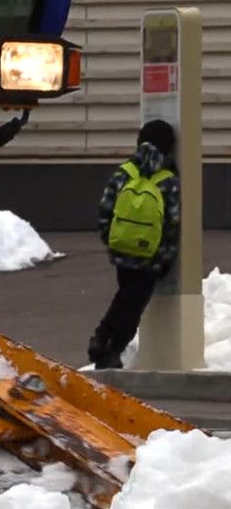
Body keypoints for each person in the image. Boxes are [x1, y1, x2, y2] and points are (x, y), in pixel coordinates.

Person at [88, 119, 181, 370]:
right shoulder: (167, 179)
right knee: (133, 306)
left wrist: (111, 241)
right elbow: (171, 225)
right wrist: (165, 258)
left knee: (124, 296)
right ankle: (113, 350)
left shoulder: (125, 171)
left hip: (122, 250)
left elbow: (105, 209)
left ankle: (101, 338)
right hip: (149, 256)